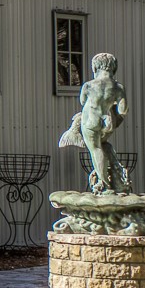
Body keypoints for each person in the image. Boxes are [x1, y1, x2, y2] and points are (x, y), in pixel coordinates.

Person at [58, 52, 127, 193]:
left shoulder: (88, 85)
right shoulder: (118, 87)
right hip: (108, 122)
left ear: (95, 67)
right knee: (104, 145)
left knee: (96, 149)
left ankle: (104, 184)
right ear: (113, 68)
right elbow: (123, 109)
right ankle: (115, 174)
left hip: (91, 120)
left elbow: (83, 102)